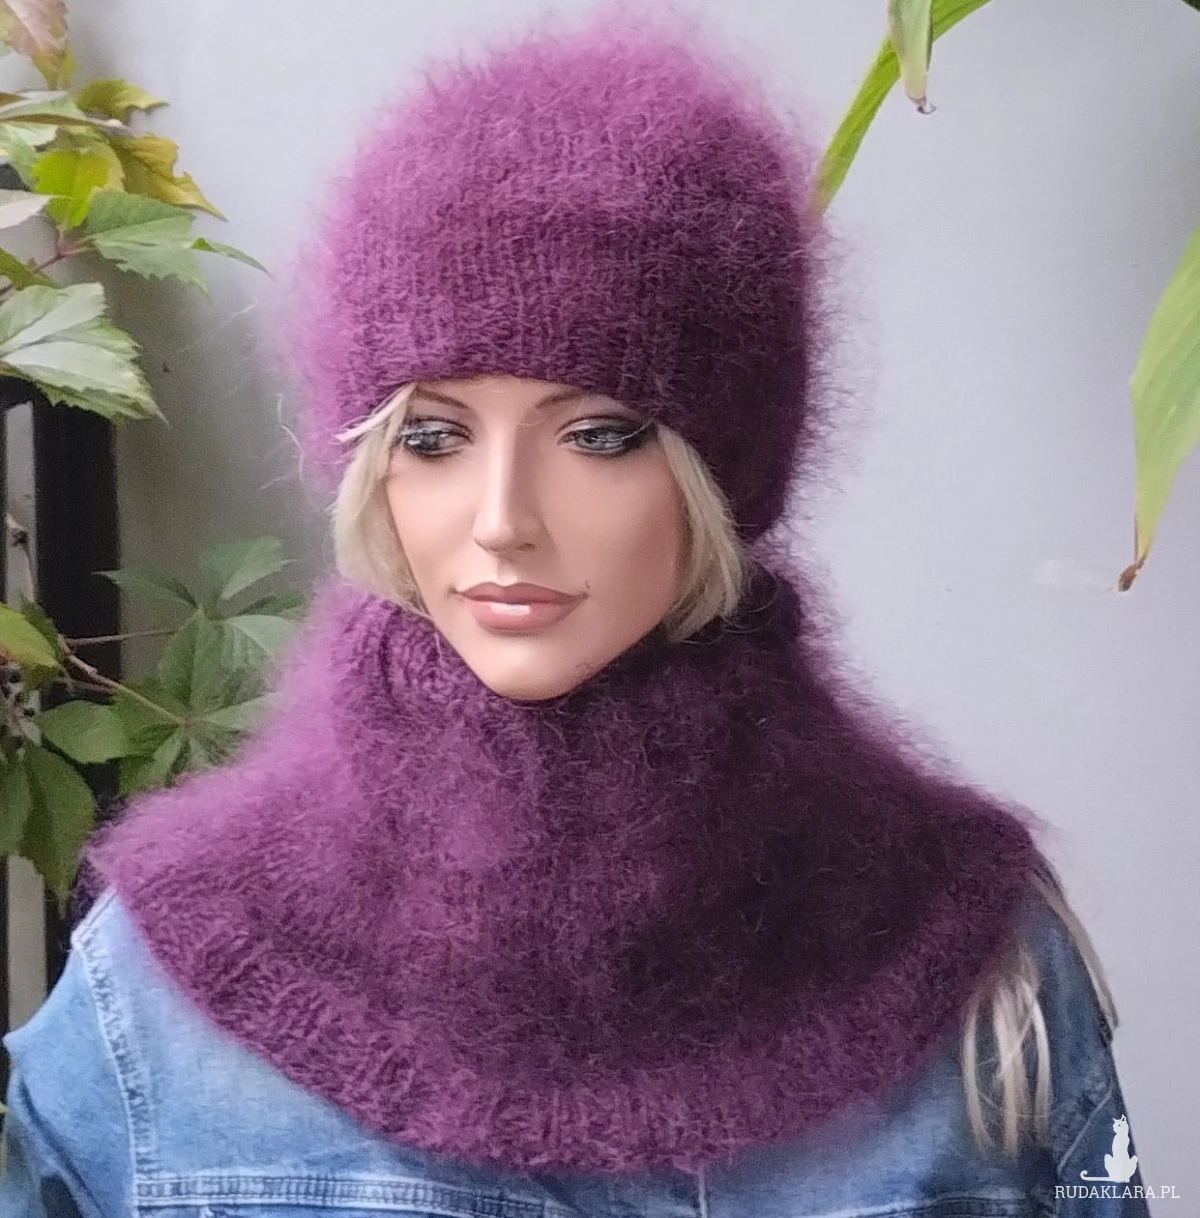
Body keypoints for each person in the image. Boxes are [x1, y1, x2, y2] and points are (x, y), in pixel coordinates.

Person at [0, 5, 1152, 1216]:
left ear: (723, 469)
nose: (503, 518)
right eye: (432, 437)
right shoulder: (158, 992)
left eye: (599, 435)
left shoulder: (977, 969)